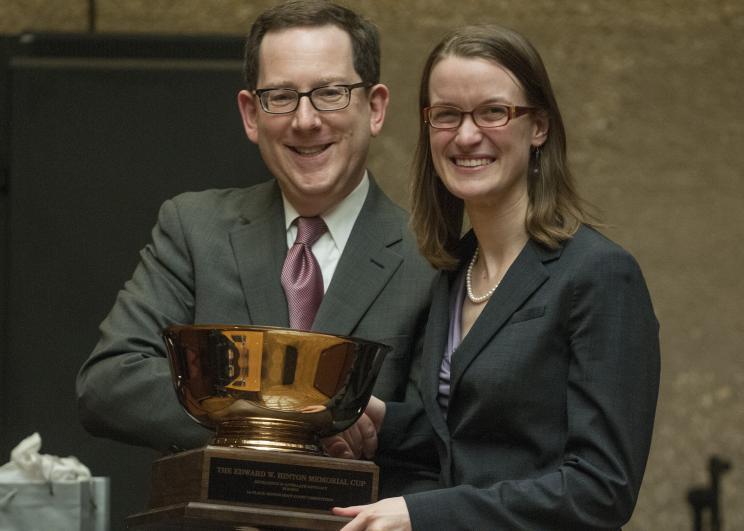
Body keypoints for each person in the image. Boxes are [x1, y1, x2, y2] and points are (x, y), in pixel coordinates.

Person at [75, 0, 436, 495]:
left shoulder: (431, 255)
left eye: (330, 93)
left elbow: (445, 432)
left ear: (374, 108)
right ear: (250, 114)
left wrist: (230, 405)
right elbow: (109, 384)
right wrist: (293, 427)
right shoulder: (194, 229)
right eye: (281, 97)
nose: (305, 120)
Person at [325, 24, 661, 530]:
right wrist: (384, 423)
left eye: (494, 112)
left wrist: (424, 516)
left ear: (539, 126)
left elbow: (600, 488)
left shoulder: (599, 275)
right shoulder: (453, 270)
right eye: (446, 115)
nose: (466, 135)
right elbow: (476, 440)